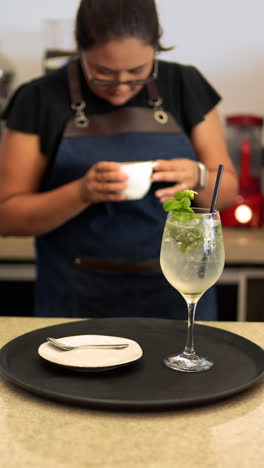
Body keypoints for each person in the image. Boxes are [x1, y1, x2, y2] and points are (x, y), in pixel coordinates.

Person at [0, 0, 238, 320]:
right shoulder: (40, 97)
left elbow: (228, 191)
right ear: (77, 43)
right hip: (75, 300)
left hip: (179, 295)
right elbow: (7, 216)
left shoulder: (185, 84)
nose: (122, 87)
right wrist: (81, 193)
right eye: (104, 72)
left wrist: (199, 177)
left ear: (156, 47)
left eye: (138, 71)